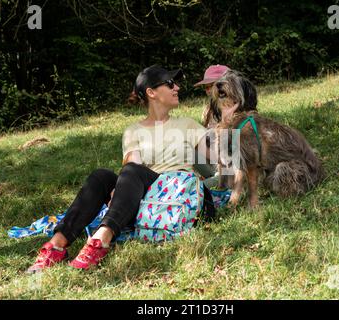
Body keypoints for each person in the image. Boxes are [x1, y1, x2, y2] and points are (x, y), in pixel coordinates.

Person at [27, 65, 210, 273]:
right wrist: (120, 187)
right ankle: (57, 245)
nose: (177, 87)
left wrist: (228, 117)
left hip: (178, 194)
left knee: (131, 171)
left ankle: (100, 240)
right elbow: (134, 165)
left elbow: (220, 158)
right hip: (148, 195)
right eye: (170, 83)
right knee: (101, 176)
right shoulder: (133, 131)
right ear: (151, 92)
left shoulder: (187, 124)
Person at [194, 64, 230, 128]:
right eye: (207, 87)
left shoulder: (235, 111)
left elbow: (235, 136)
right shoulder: (208, 109)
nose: (210, 90)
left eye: (214, 85)